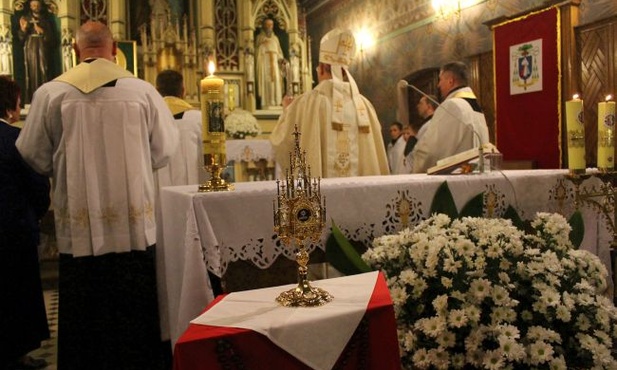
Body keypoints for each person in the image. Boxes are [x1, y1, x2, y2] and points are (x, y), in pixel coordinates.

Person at [16, 21, 178, 370]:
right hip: (134, 231)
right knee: (135, 320)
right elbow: (165, 150)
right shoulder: (143, 92)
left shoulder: (50, 93)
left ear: (75, 50)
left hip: (81, 236)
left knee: (86, 324)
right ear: (115, 47)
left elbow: (32, 155)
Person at [270, 28, 389, 178]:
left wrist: (288, 111)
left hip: (321, 197)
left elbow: (282, 144)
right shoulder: (365, 107)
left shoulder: (306, 103)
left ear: (321, 69)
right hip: (361, 196)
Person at [0, 76, 50, 370]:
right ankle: (15, 355)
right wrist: (37, 214)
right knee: (15, 297)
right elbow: (38, 183)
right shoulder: (16, 139)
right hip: (14, 233)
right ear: (11, 108)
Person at [411, 61, 489, 173]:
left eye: (440, 80)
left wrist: (416, 162)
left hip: (454, 180)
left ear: (450, 81)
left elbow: (431, 152)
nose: (438, 85)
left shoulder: (452, 106)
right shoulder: (476, 108)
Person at [155, 69, 203, 186]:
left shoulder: (150, 119)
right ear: (183, 91)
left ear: (156, 91)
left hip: (160, 194)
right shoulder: (198, 118)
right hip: (193, 190)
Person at [15, 0, 58, 104]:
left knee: (44, 69)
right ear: (30, 6)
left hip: (43, 47)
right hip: (30, 47)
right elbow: (20, 38)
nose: (36, 7)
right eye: (34, 5)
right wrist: (23, 29)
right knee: (31, 71)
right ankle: (31, 98)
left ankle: (45, 98)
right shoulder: (26, 19)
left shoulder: (46, 20)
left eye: (38, 5)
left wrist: (43, 32)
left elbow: (52, 39)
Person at [401, 95, 437, 173]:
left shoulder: (431, 124)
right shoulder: (426, 124)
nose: (418, 106)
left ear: (429, 106)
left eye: (421, 103)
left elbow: (423, 150)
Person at [255, 18, 284, 108]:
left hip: (275, 64)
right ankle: (266, 103)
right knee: (266, 82)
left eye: (271, 25)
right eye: (267, 25)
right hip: (264, 63)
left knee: (275, 82)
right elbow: (256, 52)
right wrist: (262, 47)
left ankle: (276, 102)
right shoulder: (260, 38)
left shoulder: (275, 39)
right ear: (263, 26)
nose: (269, 27)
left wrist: (281, 60)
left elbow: (279, 52)